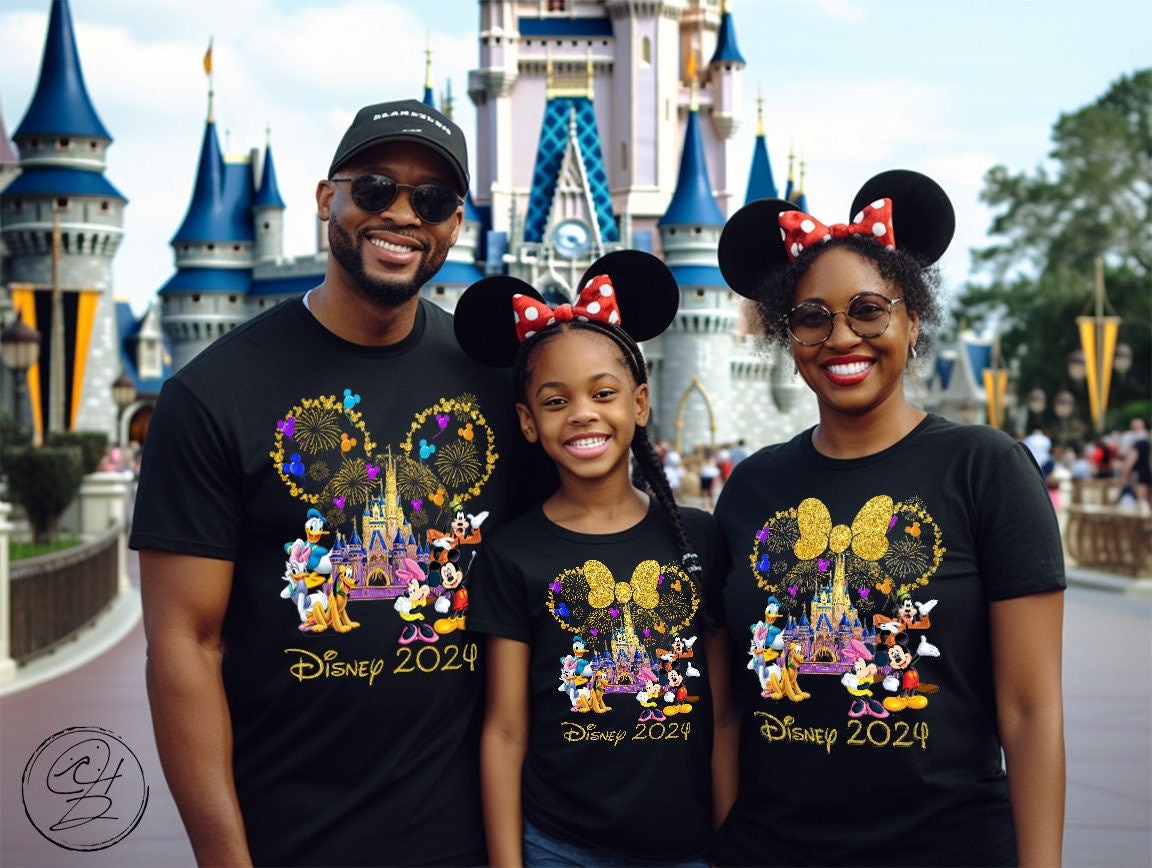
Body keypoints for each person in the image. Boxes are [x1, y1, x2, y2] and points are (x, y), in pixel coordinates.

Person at [131, 99, 534, 866]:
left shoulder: (495, 377)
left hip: (469, 839)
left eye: (434, 199)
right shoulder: (214, 395)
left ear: (456, 225)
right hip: (292, 836)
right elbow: (185, 644)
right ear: (328, 200)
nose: (403, 214)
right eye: (376, 188)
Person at [711, 170, 1066, 866]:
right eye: (812, 318)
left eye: (868, 310)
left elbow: (1030, 711)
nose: (842, 337)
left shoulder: (985, 468)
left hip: (947, 848)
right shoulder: (752, 487)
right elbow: (729, 708)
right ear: (789, 336)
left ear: (912, 320)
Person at [453, 251, 737, 866]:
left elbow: (722, 719)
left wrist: (727, 844)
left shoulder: (697, 540)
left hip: (687, 851)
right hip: (561, 848)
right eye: (556, 402)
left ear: (638, 404)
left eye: (602, 393)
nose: (583, 412)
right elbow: (505, 732)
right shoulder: (512, 554)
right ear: (528, 423)